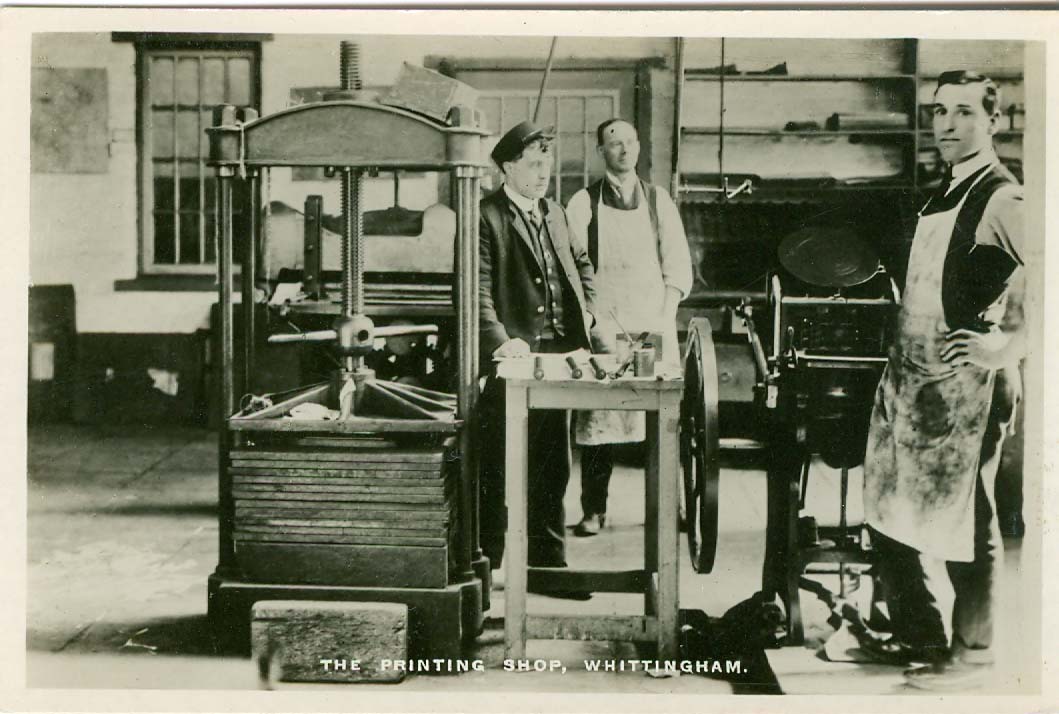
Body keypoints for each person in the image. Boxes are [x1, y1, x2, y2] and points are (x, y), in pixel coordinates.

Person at [861, 70, 1026, 690]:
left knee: (969, 521)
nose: (947, 126)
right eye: (939, 113)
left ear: (994, 121)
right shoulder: (945, 190)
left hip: (967, 388)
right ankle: (923, 635)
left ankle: (975, 655)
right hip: (915, 382)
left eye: (963, 112)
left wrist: (1006, 345)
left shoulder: (1003, 196)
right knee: (888, 508)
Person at [477, 121, 601, 598]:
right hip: (510, 359)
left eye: (546, 162)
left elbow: (581, 264)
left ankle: (549, 566)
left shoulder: (554, 213)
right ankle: (485, 571)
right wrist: (500, 340)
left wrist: (587, 308)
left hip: (559, 355)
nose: (543, 171)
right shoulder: (486, 216)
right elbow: (476, 289)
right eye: (533, 163)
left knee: (553, 465)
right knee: (497, 467)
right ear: (507, 167)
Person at [565, 119, 693, 536]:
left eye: (629, 142)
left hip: (652, 322)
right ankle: (593, 511)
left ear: (638, 148)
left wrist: (665, 314)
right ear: (601, 151)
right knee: (599, 423)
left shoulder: (659, 202)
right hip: (605, 323)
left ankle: (663, 508)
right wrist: (589, 318)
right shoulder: (583, 203)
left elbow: (676, 265)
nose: (623, 149)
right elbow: (573, 266)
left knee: (660, 420)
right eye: (613, 143)